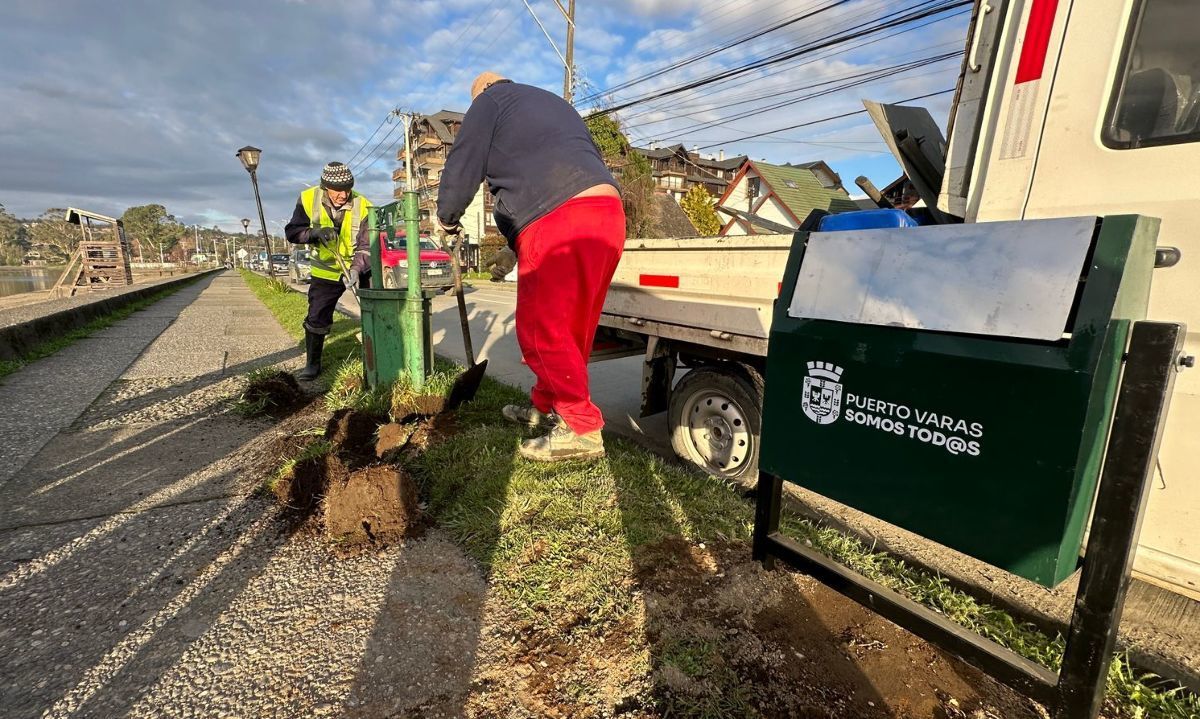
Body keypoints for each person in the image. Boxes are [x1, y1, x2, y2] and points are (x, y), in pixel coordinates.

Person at [436, 71, 626, 463]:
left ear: (482, 92)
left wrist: (448, 218)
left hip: (558, 217)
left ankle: (581, 427)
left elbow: (463, 162)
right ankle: (545, 407)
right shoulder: (550, 104)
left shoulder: (489, 103)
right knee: (573, 328)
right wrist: (514, 243)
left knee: (541, 330)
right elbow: (543, 166)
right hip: (607, 214)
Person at [284, 162, 373, 381]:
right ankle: (312, 364)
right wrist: (315, 233)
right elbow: (293, 232)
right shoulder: (307, 198)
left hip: (357, 268)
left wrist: (355, 270)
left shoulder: (364, 205)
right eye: (338, 191)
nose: (343, 195)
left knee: (374, 311)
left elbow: (366, 245)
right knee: (317, 316)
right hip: (325, 270)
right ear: (325, 188)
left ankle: (377, 356)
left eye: (347, 189)